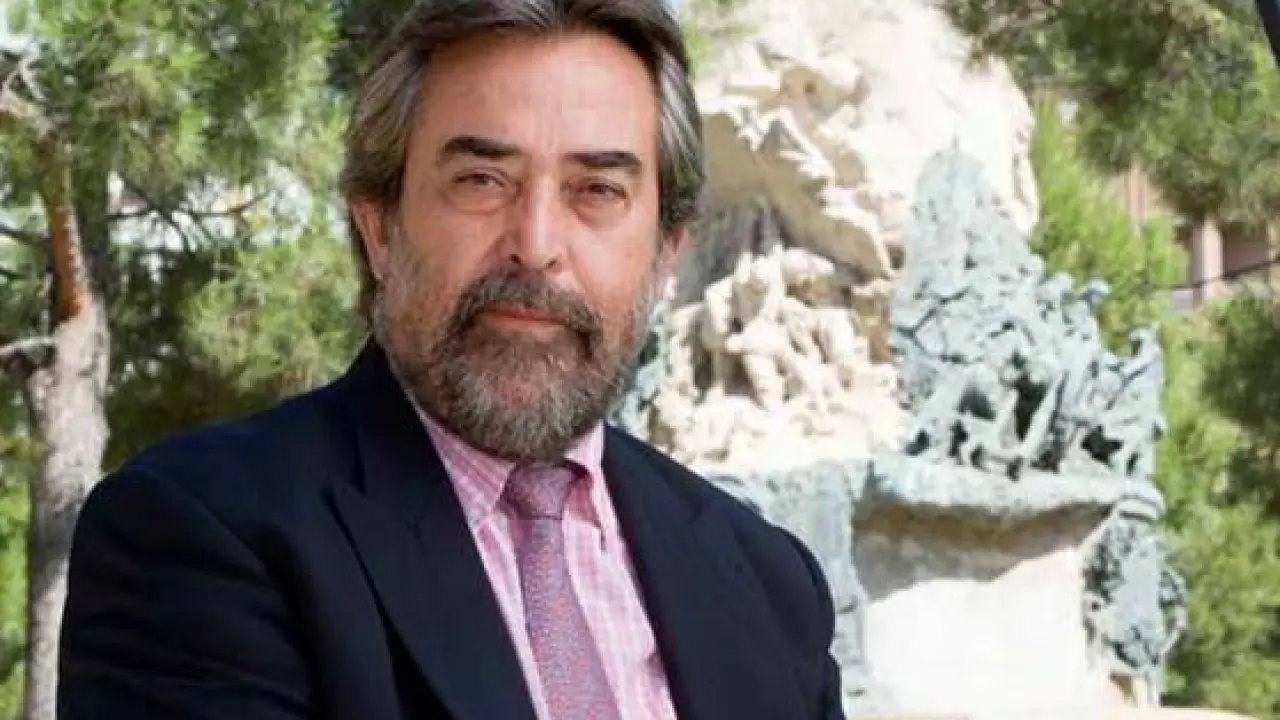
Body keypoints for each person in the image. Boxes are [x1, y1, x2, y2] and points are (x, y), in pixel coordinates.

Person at [56, 1, 845, 718]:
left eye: (597, 191)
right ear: (379, 228)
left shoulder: (770, 585)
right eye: (482, 180)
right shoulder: (199, 535)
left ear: (667, 252)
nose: (536, 245)